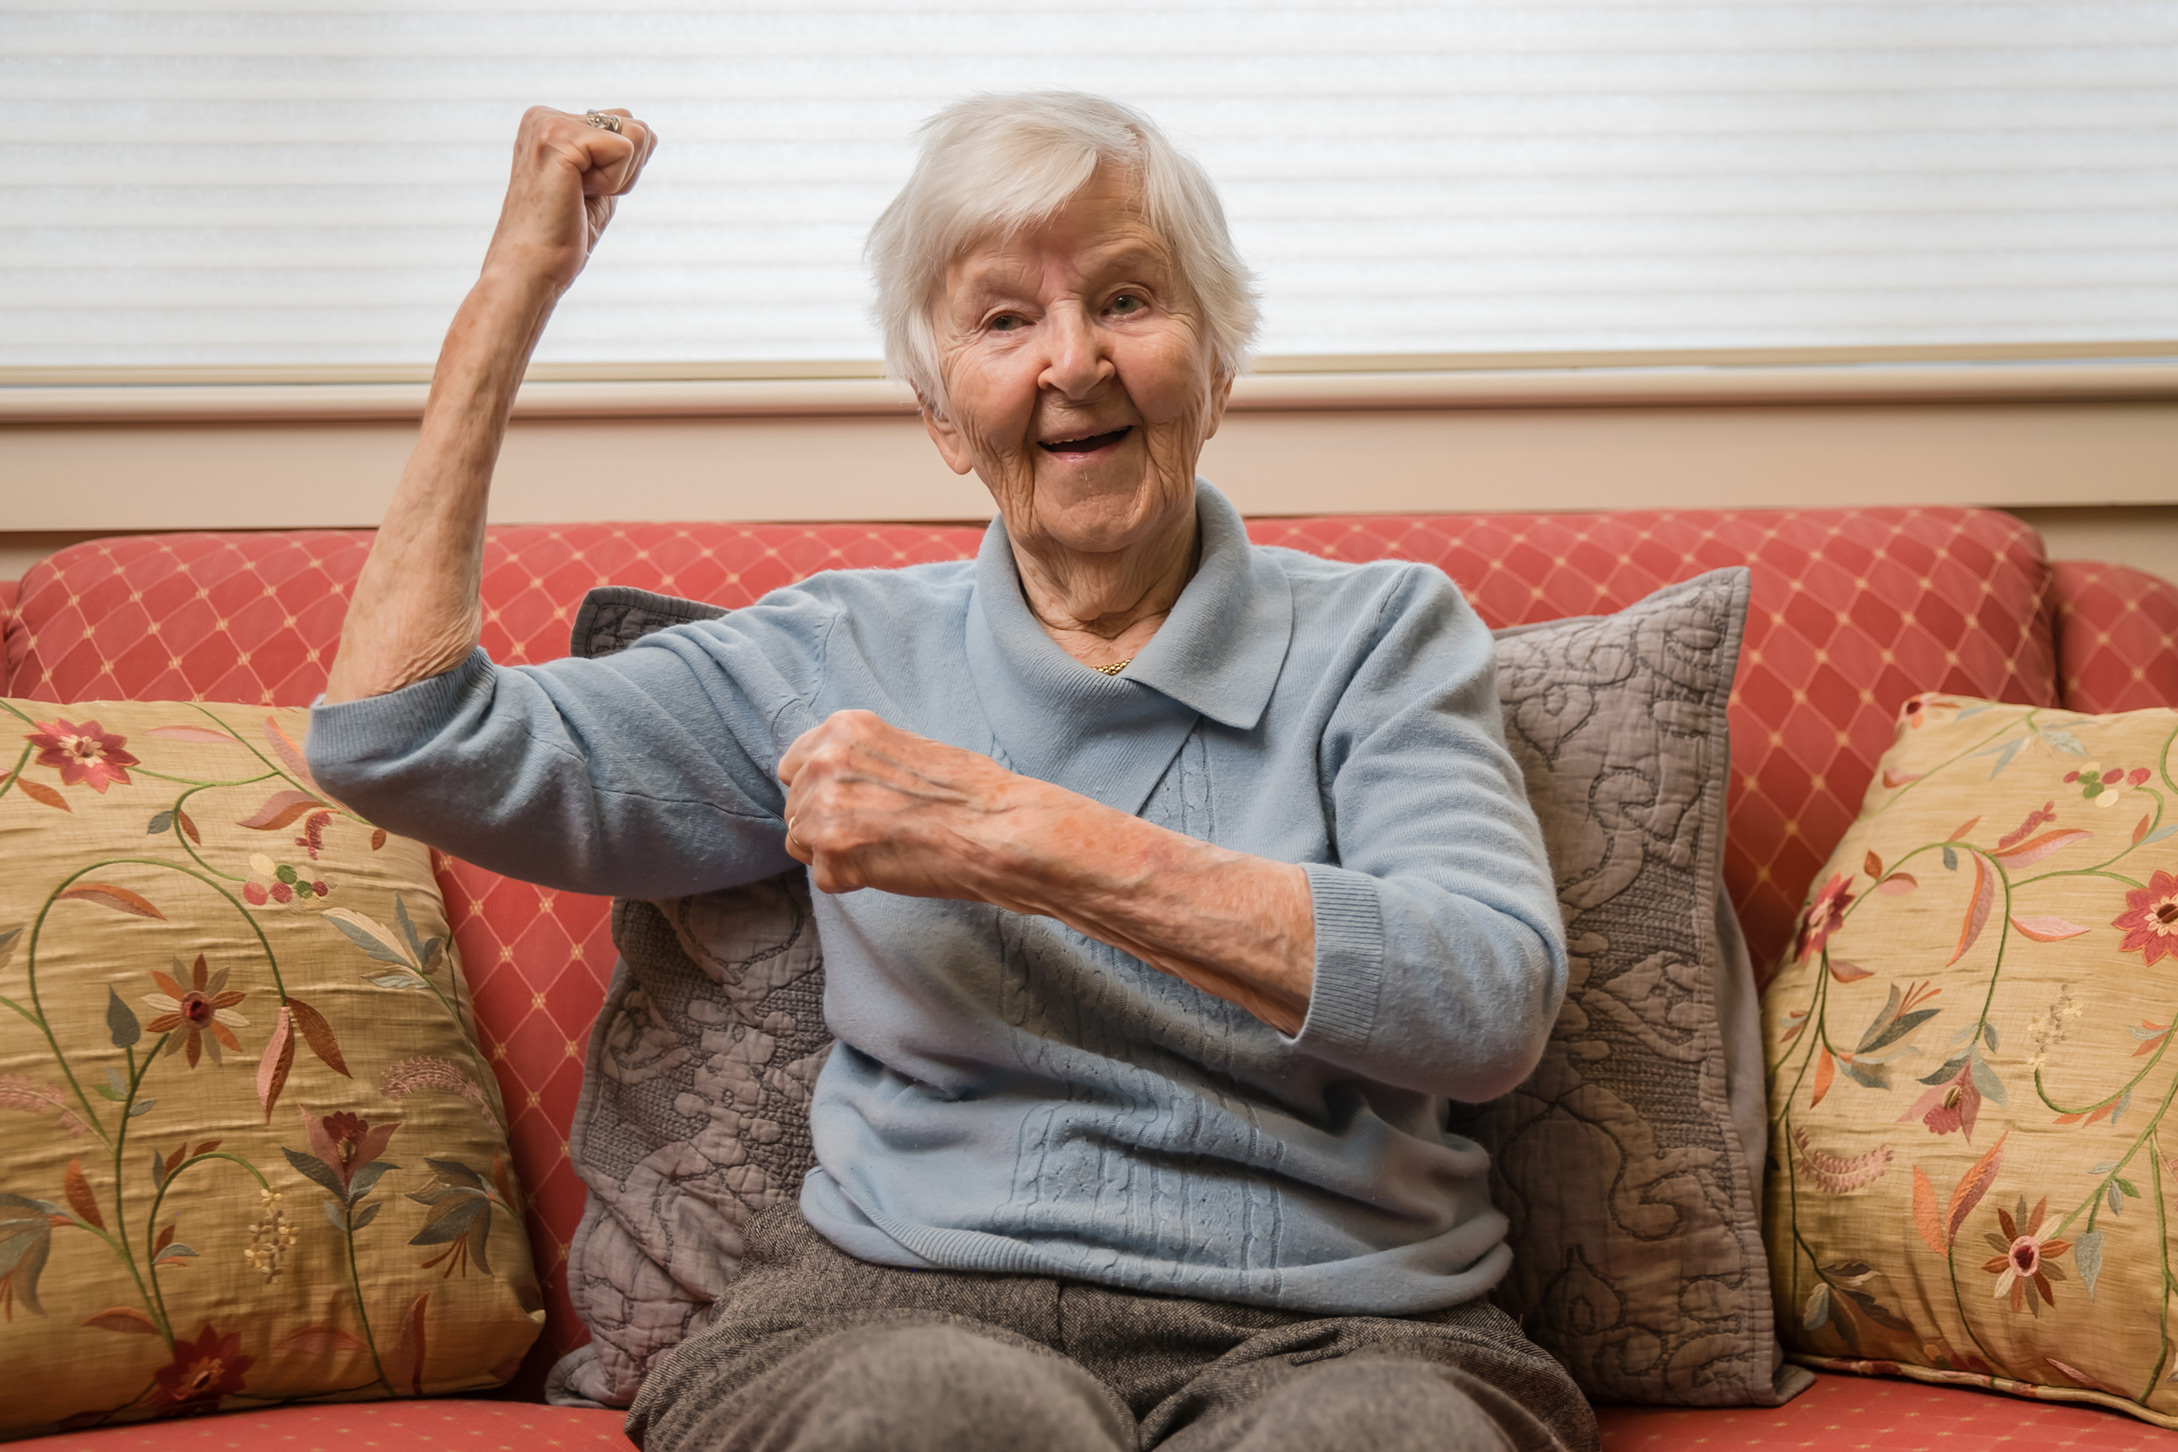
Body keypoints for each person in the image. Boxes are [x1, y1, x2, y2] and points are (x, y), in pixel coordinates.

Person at [310, 92, 1591, 1452]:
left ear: (1218, 366)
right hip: (899, 1312)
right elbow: (403, 742)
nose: (1072, 361)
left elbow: (1484, 999)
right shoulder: (837, 652)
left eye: (1129, 298)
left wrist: (1016, 836)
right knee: (941, 1424)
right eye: (1002, 321)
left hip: (1344, 1327)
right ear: (936, 412)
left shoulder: (1378, 635)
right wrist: (513, 295)